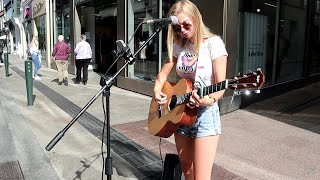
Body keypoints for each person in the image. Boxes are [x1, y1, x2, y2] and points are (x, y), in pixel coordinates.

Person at [153, 1, 228, 179]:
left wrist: (207, 100)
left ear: (196, 18)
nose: (183, 31)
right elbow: (162, 75)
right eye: (177, 28)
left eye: (186, 25)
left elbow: (221, 86)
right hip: (181, 113)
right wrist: (157, 91)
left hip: (205, 116)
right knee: (187, 170)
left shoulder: (213, 44)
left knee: (201, 176)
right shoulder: (180, 46)